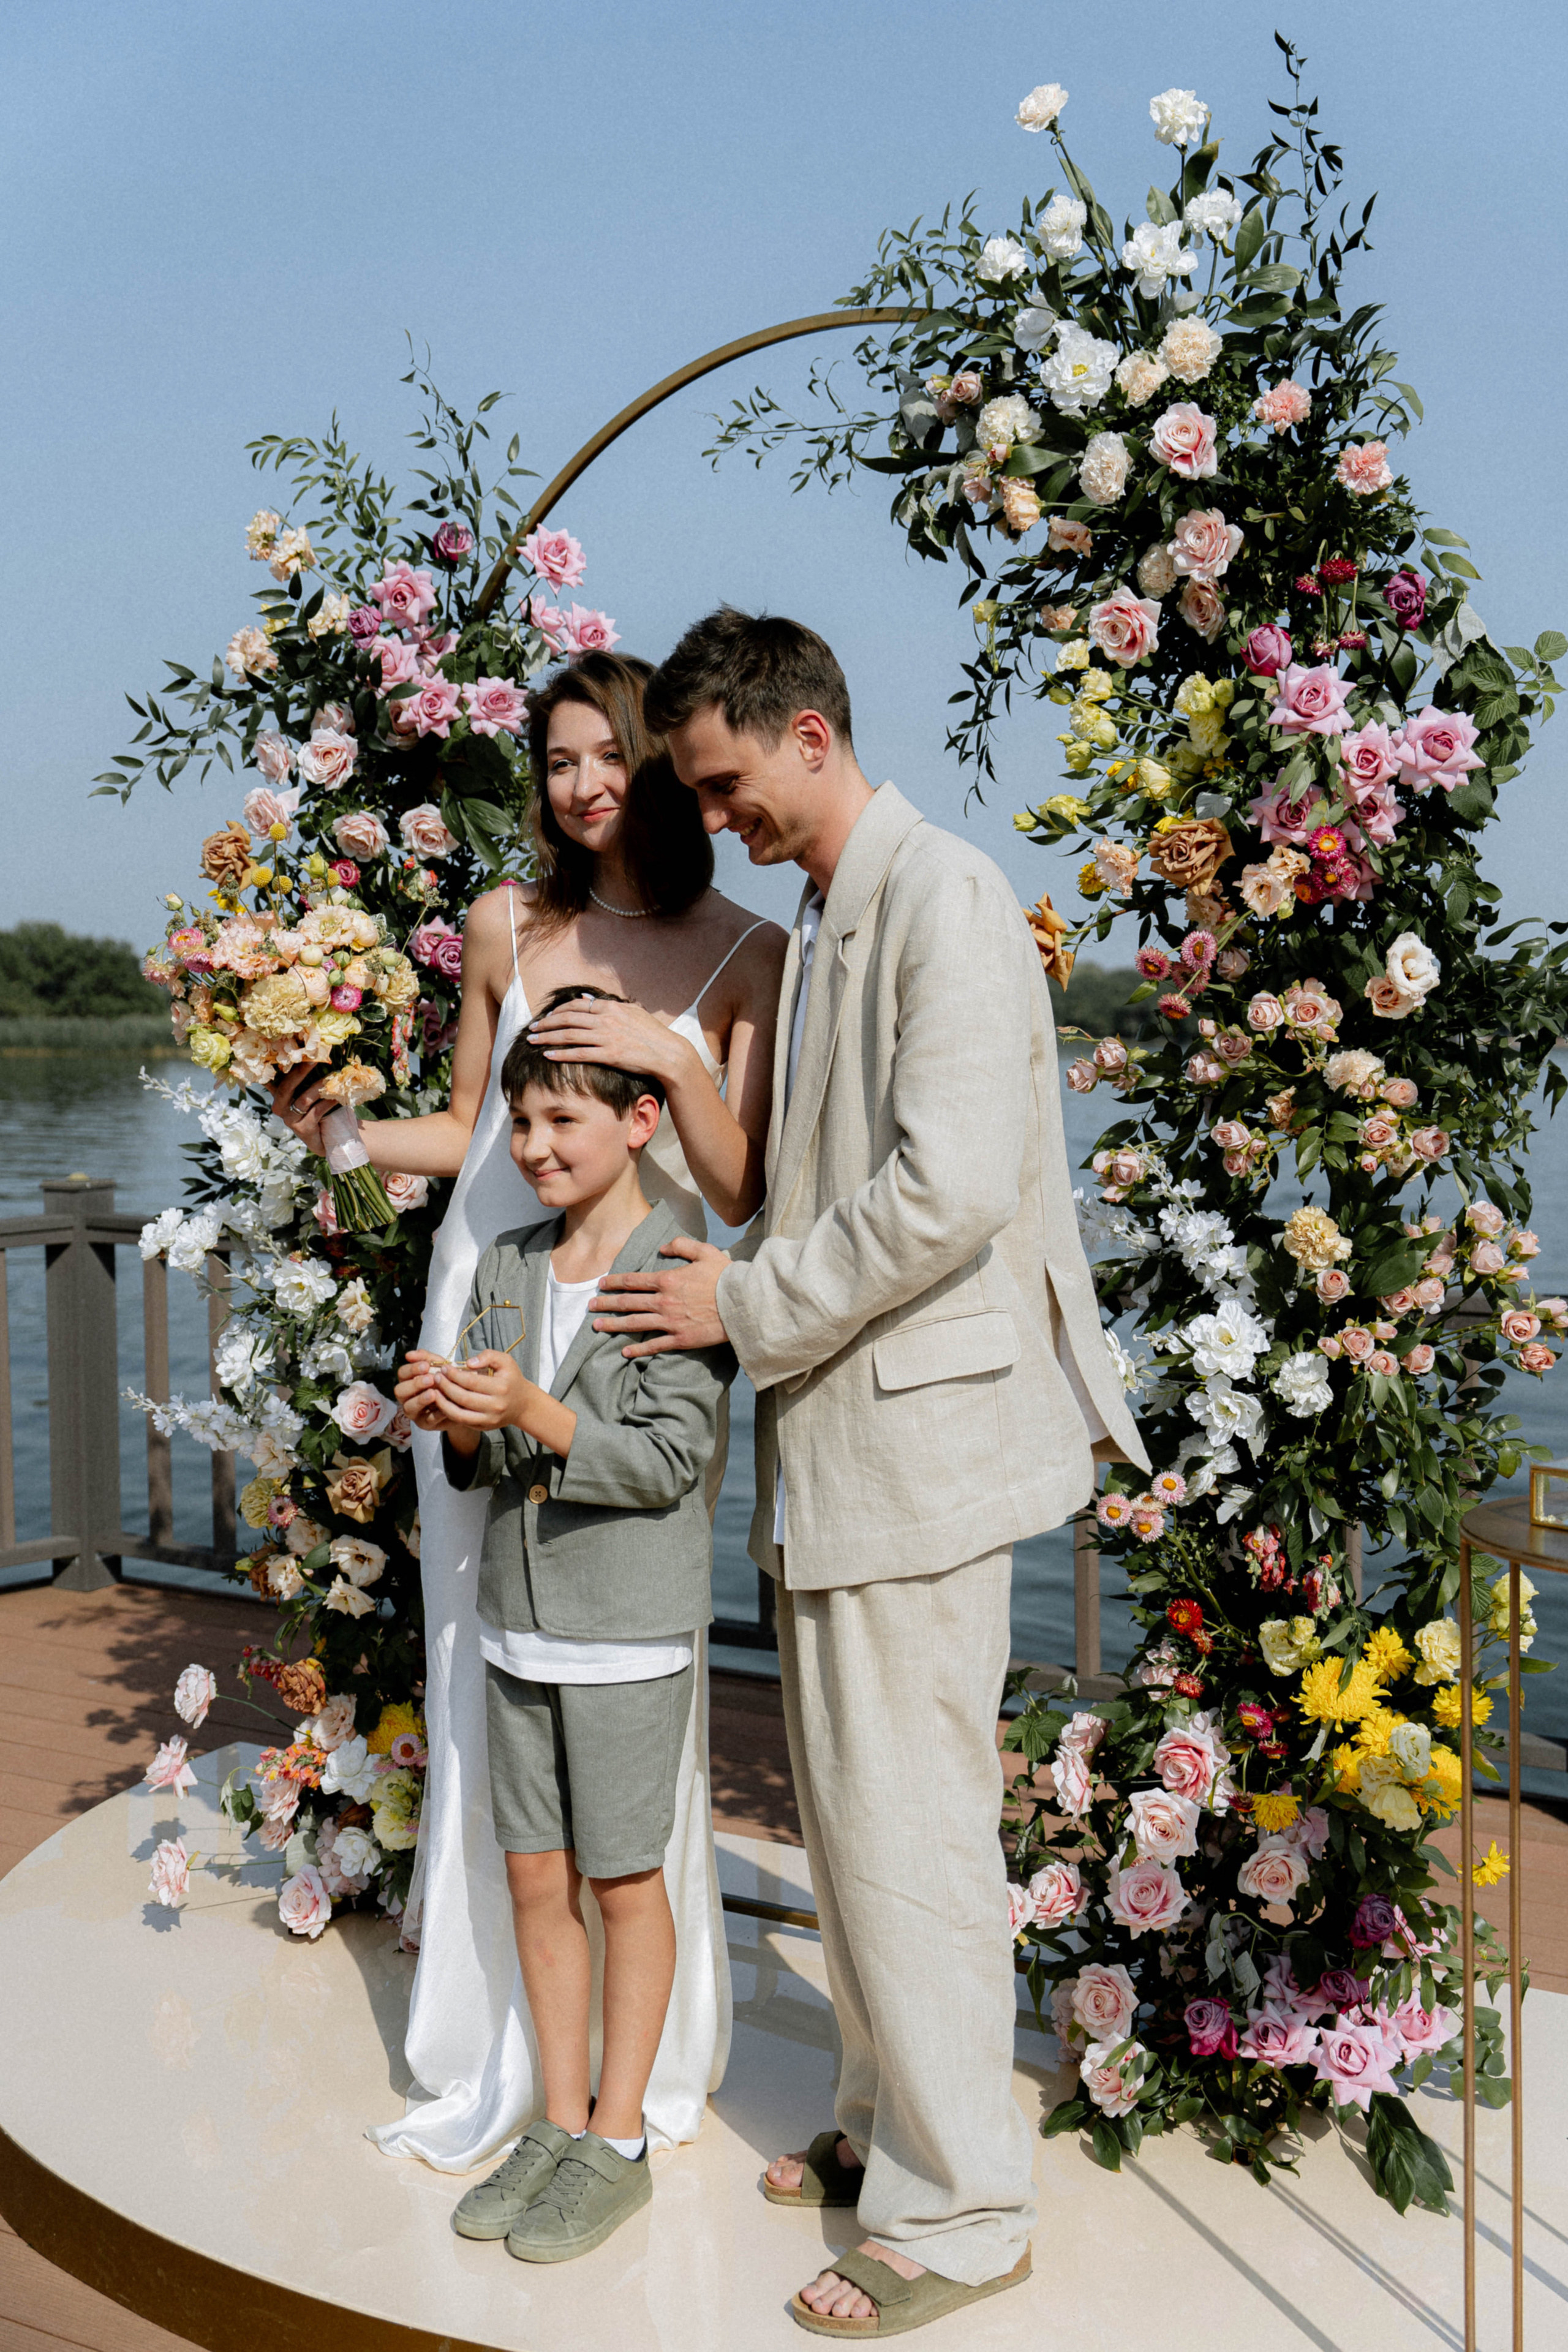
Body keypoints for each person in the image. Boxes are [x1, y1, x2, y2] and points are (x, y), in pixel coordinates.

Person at [592, 609, 1148, 2339]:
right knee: (851, 1810)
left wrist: (737, 1303)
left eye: (730, 784)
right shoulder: (842, 907)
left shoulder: (948, 898)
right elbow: (813, 1172)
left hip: (914, 1447)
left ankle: (966, 2210)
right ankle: (880, 2115)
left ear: (811, 735)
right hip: (847, 1441)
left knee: (907, 1820)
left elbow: (952, 1188)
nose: (723, 819)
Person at [271, 650, 786, 2172]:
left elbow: (742, 1181)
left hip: (639, 1319)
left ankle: (632, 2077)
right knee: (482, 1642)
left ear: (656, 758)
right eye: (553, 760)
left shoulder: (746, 947)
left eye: (601, 754)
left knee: (623, 1633)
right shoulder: (507, 922)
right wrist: (340, 1138)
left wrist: (655, 1061)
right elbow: (465, 1125)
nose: (577, 785)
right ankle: (500, 2036)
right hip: (486, 1293)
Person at [395, 998, 735, 2261]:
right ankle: (553, 2118)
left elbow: (667, 1463)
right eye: (521, 1120)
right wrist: (459, 1417)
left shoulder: (678, 1265)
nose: (531, 1144)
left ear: (640, 1120)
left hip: (629, 1633)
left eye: (560, 1119)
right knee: (536, 1877)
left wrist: (530, 1409)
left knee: (623, 1883)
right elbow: (485, 1471)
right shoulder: (505, 1263)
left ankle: (620, 2138)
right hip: (513, 1629)